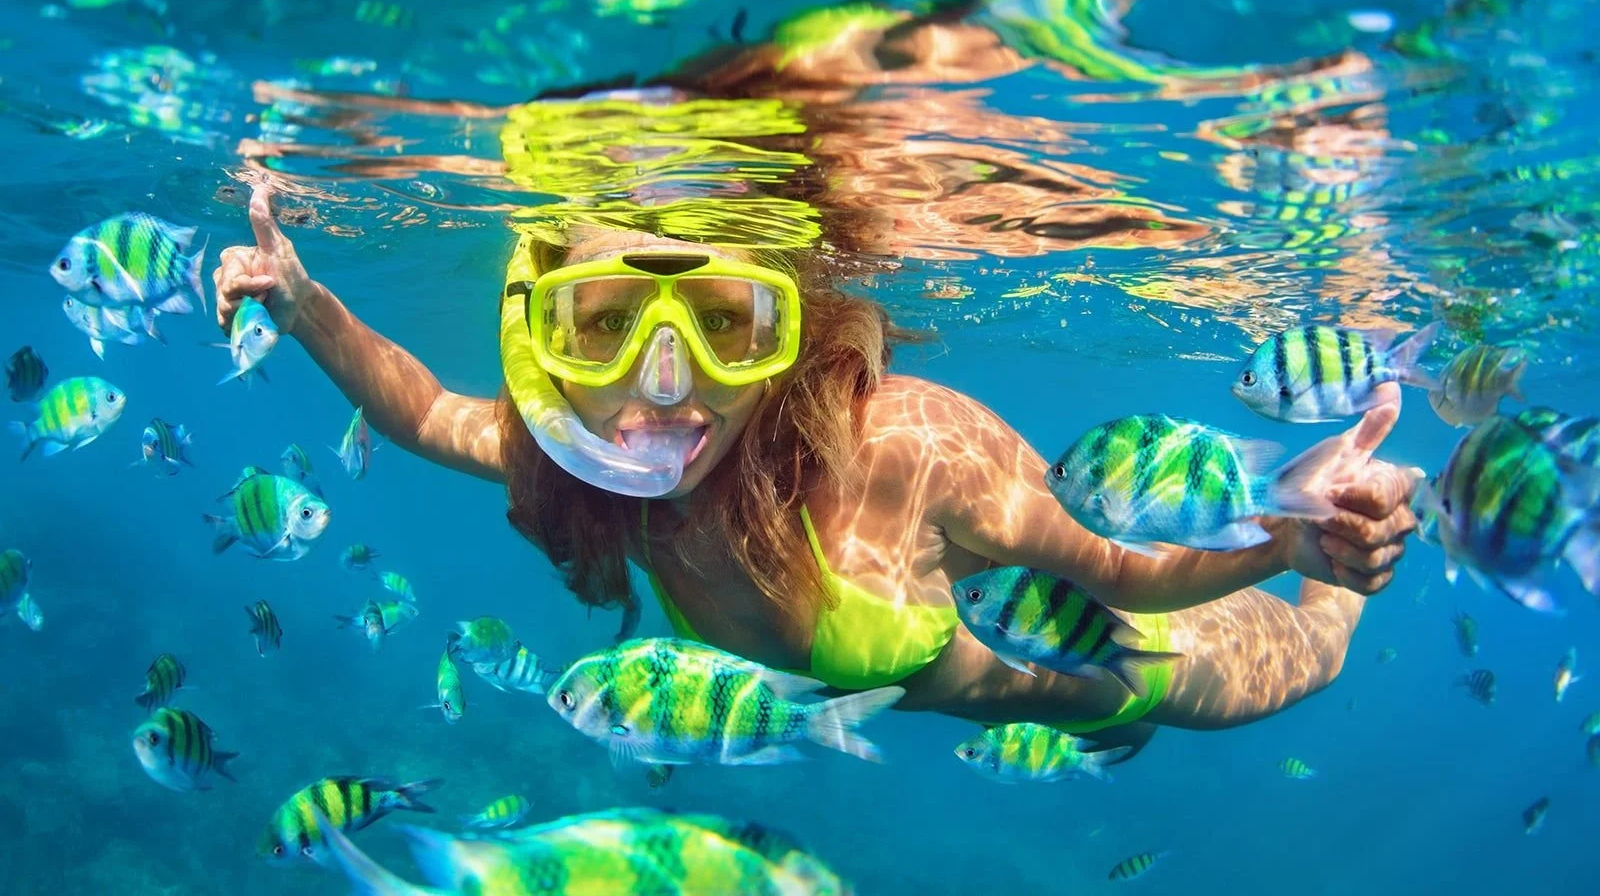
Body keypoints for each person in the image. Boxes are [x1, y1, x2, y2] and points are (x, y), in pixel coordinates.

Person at [214, 182, 1418, 746]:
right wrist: (303, 301)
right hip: (995, 689)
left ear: (790, 333)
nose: (659, 383)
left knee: (1307, 654)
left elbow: (1128, 568)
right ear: (544, 336)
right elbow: (425, 411)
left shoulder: (908, 445)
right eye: (604, 323)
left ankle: (1348, 533)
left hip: (1128, 670)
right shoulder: (584, 466)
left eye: (725, 322)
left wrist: (1289, 542)